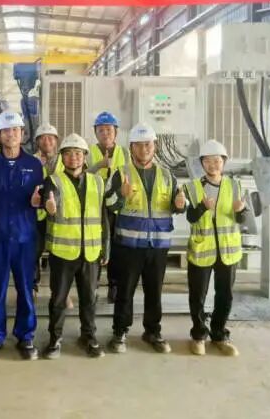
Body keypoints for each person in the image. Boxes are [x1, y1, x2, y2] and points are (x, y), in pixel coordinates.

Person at [40, 133, 122, 360]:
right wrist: (49, 207)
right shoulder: (54, 181)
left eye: (78, 153)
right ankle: (55, 339)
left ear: (85, 157)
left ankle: (89, 337)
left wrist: (106, 248)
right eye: (68, 154)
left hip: (91, 252)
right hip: (63, 253)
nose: (73, 157)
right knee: (58, 299)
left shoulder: (98, 182)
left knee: (89, 299)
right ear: (62, 157)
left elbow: (105, 217)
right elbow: (49, 201)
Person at [108, 123, 187, 355]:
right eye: (139, 145)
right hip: (129, 245)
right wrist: (120, 195)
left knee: (154, 291)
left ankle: (152, 331)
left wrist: (180, 205)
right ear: (131, 148)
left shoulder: (167, 175)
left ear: (155, 146)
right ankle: (120, 332)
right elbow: (109, 204)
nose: (144, 149)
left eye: (148, 145)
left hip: (158, 244)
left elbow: (177, 204)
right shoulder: (121, 173)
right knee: (125, 292)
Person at [0, 111, 44, 361]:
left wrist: (38, 202)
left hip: (25, 237)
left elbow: (41, 197)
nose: (11, 134)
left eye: (15, 130)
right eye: (6, 131)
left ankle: (25, 336)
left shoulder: (34, 165)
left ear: (22, 133)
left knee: (25, 289)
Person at [183, 139, 247, 358]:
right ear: (202, 163)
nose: (213, 165)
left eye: (217, 161)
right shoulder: (193, 187)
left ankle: (219, 335)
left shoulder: (235, 186)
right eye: (208, 161)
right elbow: (191, 217)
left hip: (228, 251)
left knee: (225, 295)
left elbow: (242, 219)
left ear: (224, 162)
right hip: (202, 249)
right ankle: (199, 335)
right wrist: (202, 206)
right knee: (197, 295)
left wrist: (241, 211)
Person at [89, 111, 127, 304]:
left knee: (117, 248)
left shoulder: (125, 152)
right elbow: (82, 175)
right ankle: (93, 287)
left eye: (109, 130)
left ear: (116, 132)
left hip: (118, 207)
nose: (105, 133)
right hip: (95, 208)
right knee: (96, 246)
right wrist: (100, 164)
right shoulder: (89, 152)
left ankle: (114, 286)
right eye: (101, 130)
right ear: (95, 133)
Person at [32, 123, 62, 296]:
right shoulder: (31, 161)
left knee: (58, 252)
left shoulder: (65, 159)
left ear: (56, 141)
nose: (47, 141)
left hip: (59, 213)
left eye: (50, 138)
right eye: (42, 138)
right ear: (37, 142)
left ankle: (59, 290)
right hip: (38, 214)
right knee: (34, 250)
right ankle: (33, 284)